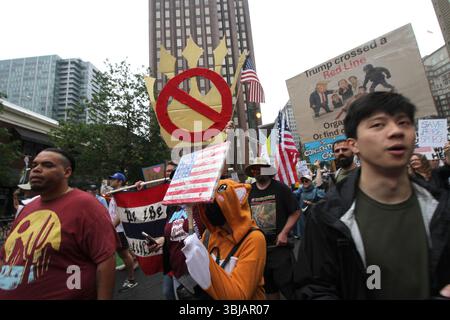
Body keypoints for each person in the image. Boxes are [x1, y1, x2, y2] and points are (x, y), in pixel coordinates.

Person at [294, 92, 450, 300]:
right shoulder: (327, 217)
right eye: (378, 125)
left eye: (404, 123)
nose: (396, 131)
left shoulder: (441, 206)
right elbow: (314, 289)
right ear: (354, 144)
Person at [0, 148, 117, 299]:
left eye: (47, 165)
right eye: (34, 165)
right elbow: (6, 255)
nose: (36, 169)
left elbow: (105, 260)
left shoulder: (86, 205)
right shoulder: (27, 208)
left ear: (66, 172)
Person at [181, 179, 267, 299]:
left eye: (214, 204)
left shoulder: (254, 239)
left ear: (231, 204)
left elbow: (238, 296)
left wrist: (199, 255)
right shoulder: (209, 235)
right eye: (205, 205)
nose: (209, 209)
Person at [246, 158, 300, 300]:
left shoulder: (280, 188)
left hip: (279, 249)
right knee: (269, 289)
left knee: (290, 288)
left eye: (260, 168)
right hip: (259, 250)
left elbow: (296, 212)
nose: (257, 171)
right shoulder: (248, 191)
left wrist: (284, 233)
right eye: (254, 169)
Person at [108, 172, 138, 291]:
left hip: (119, 230)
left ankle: (131, 279)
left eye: (113, 179)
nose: (111, 181)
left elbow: (121, 213)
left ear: (120, 181)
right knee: (124, 252)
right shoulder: (115, 194)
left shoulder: (121, 194)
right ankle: (133, 262)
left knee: (124, 254)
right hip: (117, 229)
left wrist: (111, 227)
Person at [294, 161, 326, 239]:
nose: (304, 182)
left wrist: (313, 204)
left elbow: (324, 202)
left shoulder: (316, 191)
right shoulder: (300, 190)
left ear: (311, 181)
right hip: (302, 219)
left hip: (313, 218)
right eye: (303, 181)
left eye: (307, 180)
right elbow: (292, 195)